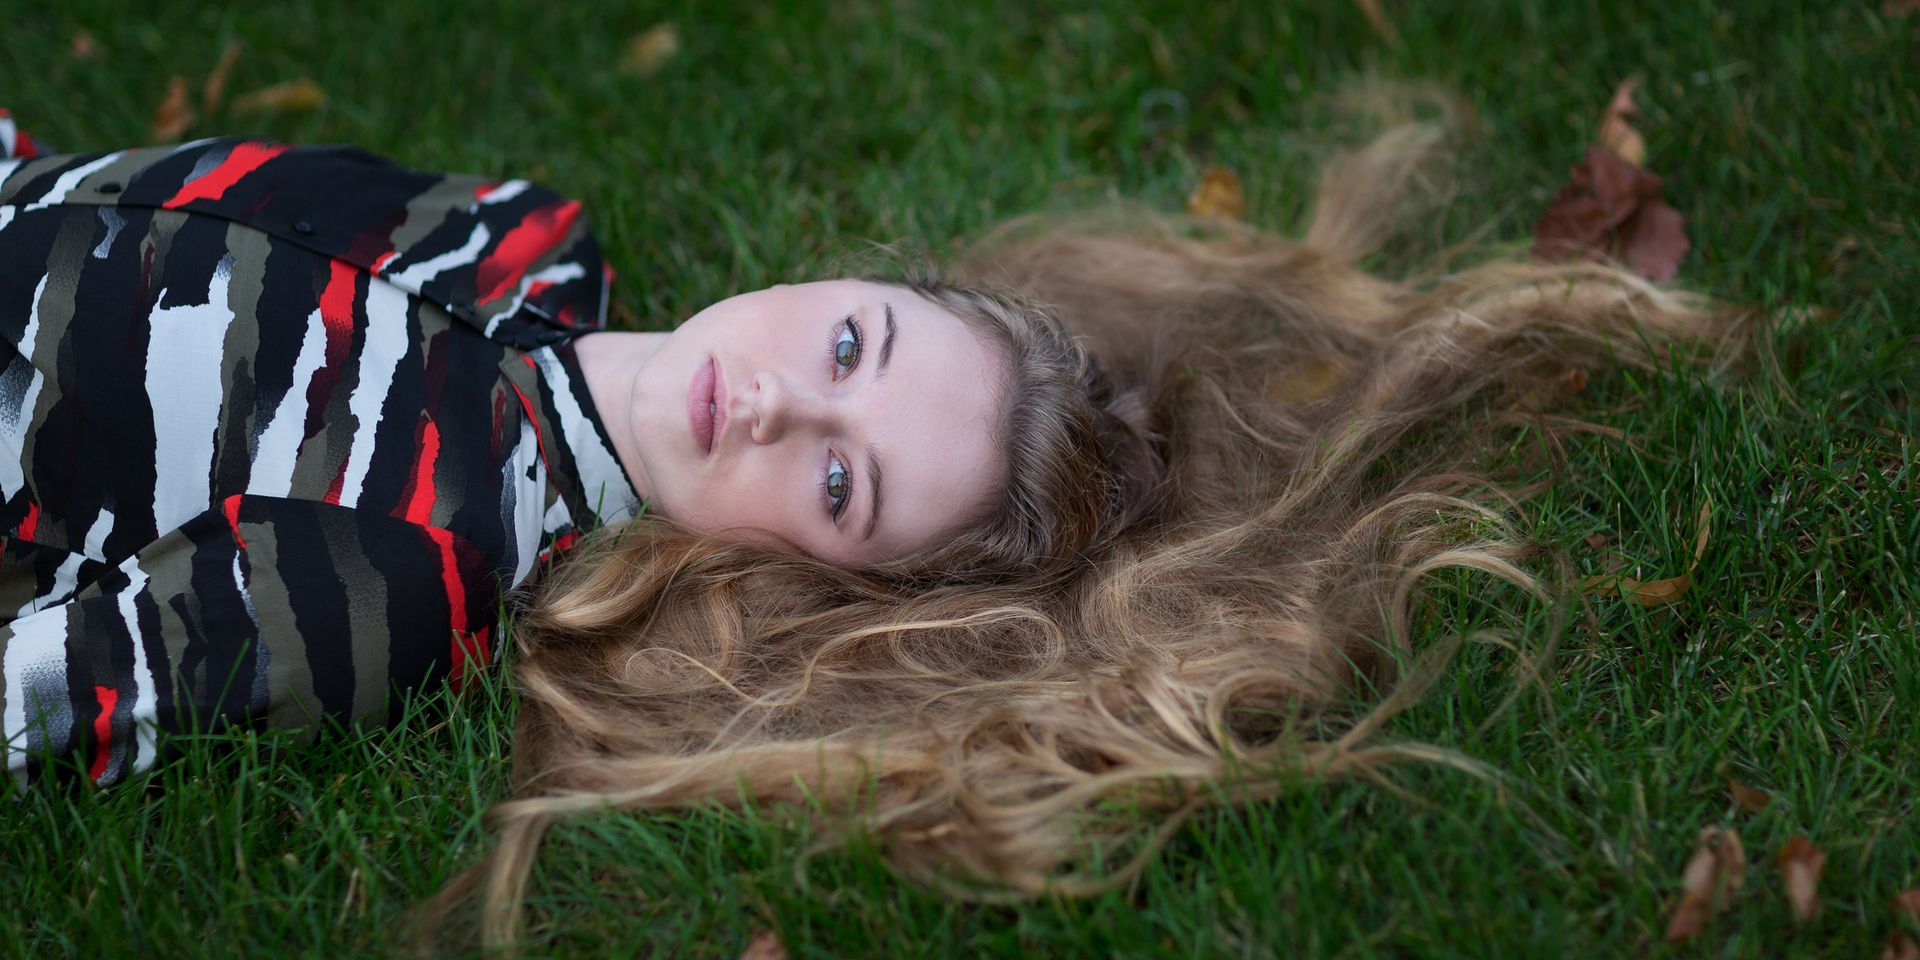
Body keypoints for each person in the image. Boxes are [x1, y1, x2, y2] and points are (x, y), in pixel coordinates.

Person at [0, 112, 1037, 787]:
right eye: (851, 346)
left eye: (839, 481)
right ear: (845, 278)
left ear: (812, 581)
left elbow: (31, 695)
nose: (778, 402)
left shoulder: (408, 577)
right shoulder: (526, 240)